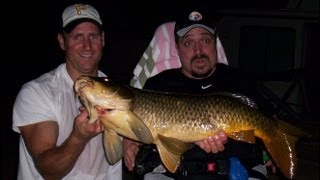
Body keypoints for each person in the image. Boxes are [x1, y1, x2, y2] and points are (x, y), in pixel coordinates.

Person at [124, 10, 276, 180]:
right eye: (188, 43)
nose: (198, 51)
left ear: (214, 43)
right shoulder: (159, 84)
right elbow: (137, 117)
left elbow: (268, 120)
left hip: (237, 170)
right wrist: (130, 140)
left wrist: (270, 150)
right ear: (177, 48)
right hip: (175, 173)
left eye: (205, 40)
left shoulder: (240, 81)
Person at [12, 3, 122, 180]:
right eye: (77, 37)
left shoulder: (116, 91)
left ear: (102, 39)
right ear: (62, 42)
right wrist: (79, 137)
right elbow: (48, 170)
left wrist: (132, 141)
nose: (87, 46)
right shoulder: (37, 93)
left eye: (92, 36)